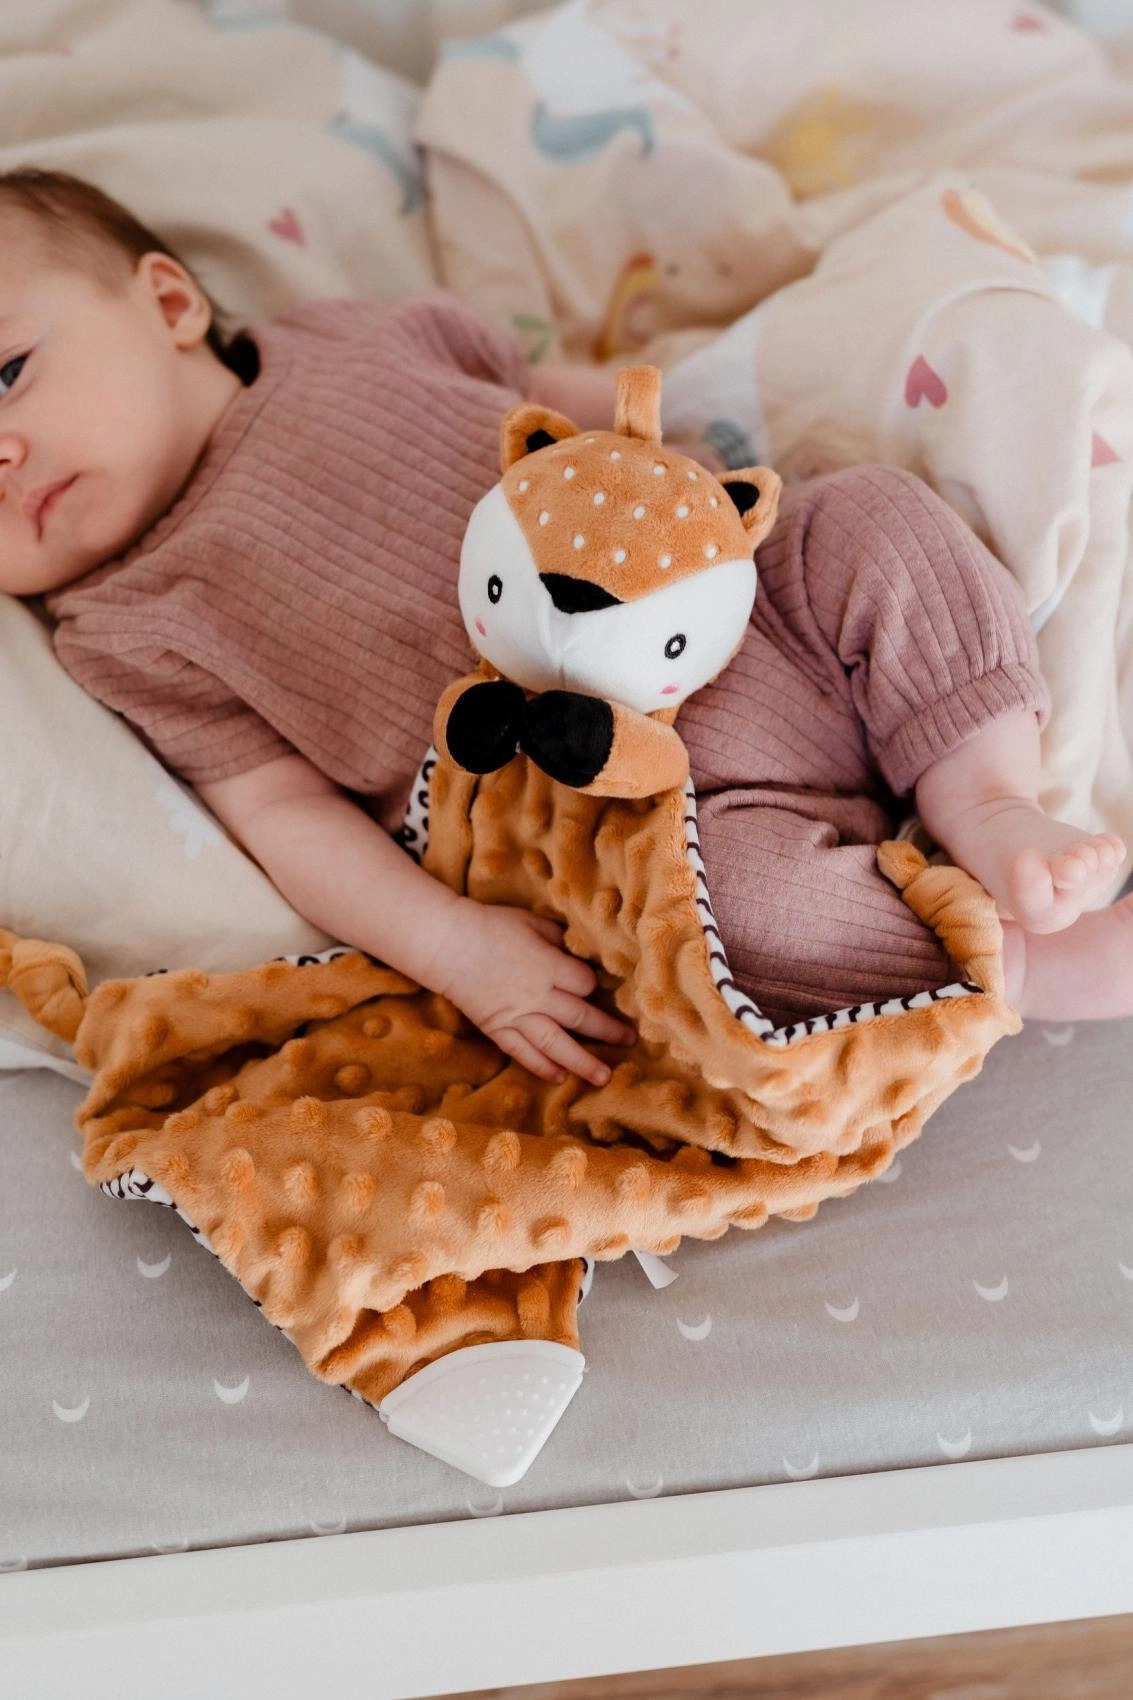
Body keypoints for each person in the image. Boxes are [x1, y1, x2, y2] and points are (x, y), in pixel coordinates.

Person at [3, 169, 1129, 1094]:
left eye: (7, 375)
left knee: (874, 516)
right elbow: (282, 813)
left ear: (168, 304)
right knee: (730, 928)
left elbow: (560, 403)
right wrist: (451, 947)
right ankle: (1017, 962)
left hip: (746, 600)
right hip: (647, 813)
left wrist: (690, 459)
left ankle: (985, 797)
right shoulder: (120, 629)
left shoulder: (344, 341)